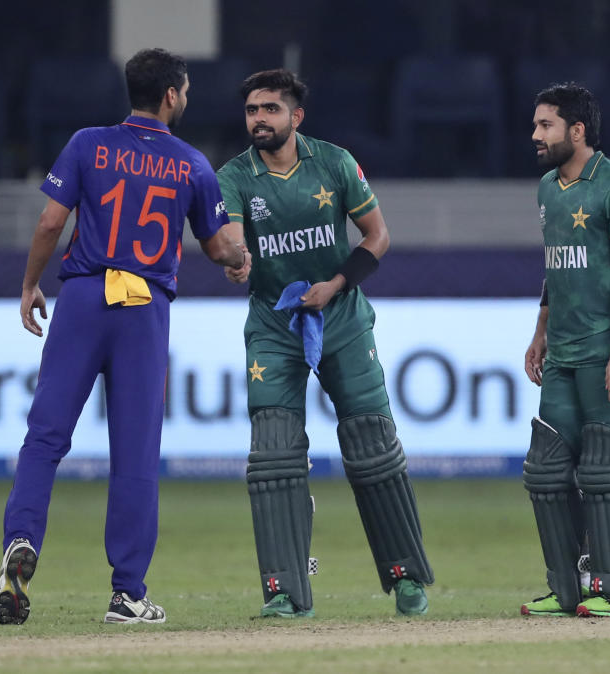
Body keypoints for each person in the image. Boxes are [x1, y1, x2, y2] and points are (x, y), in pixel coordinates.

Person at [0, 48, 248, 626]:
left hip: (83, 296)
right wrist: (239, 259)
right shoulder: (191, 163)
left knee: (45, 437)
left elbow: (51, 223)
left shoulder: (86, 143)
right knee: (135, 455)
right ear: (172, 96)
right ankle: (127, 594)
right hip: (143, 308)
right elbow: (217, 245)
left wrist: (31, 284)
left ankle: (20, 542)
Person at [216, 69, 433, 618]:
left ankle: (407, 577)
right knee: (273, 457)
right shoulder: (235, 176)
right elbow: (232, 239)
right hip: (273, 322)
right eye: (251, 111)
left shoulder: (335, 163)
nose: (258, 119)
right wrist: (236, 260)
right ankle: (285, 590)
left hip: (341, 317)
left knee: (372, 449)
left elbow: (377, 236)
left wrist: (334, 285)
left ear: (296, 117)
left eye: (270, 109)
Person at [521, 83, 610, 618]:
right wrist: (540, 331)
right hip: (564, 352)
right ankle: (566, 588)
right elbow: (556, 269)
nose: (535, 134)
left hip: (606, 348)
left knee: (609, 472)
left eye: (545, 124)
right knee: (548, 472)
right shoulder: (549, 188)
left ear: (577, 130)